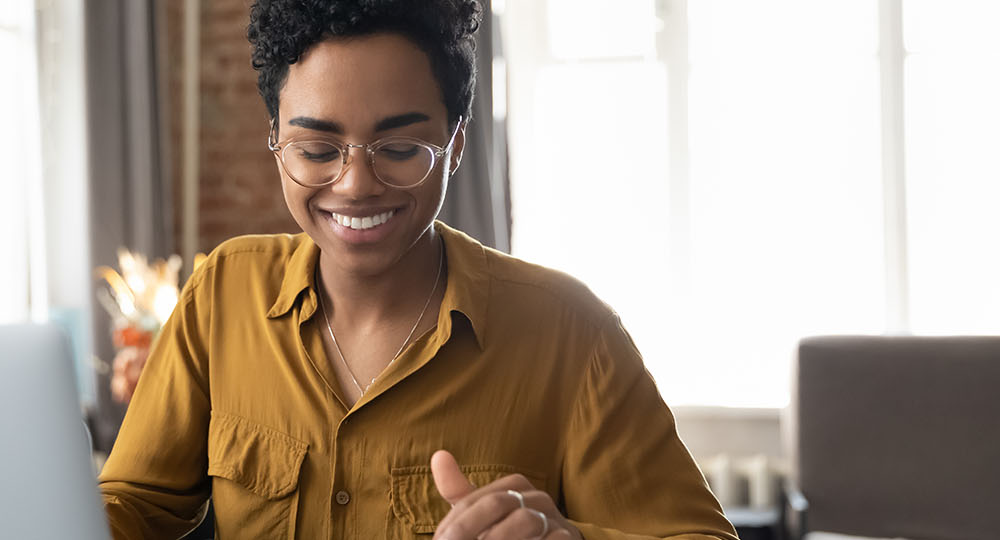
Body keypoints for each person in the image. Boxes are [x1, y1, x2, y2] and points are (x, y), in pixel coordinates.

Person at [99, 1, 738, 538]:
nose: (354, 186)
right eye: (317, 149)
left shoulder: (573, 335)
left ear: (457, 142)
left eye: (401, 148)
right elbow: (132, 507)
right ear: (275, 139)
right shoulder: (224, 293)